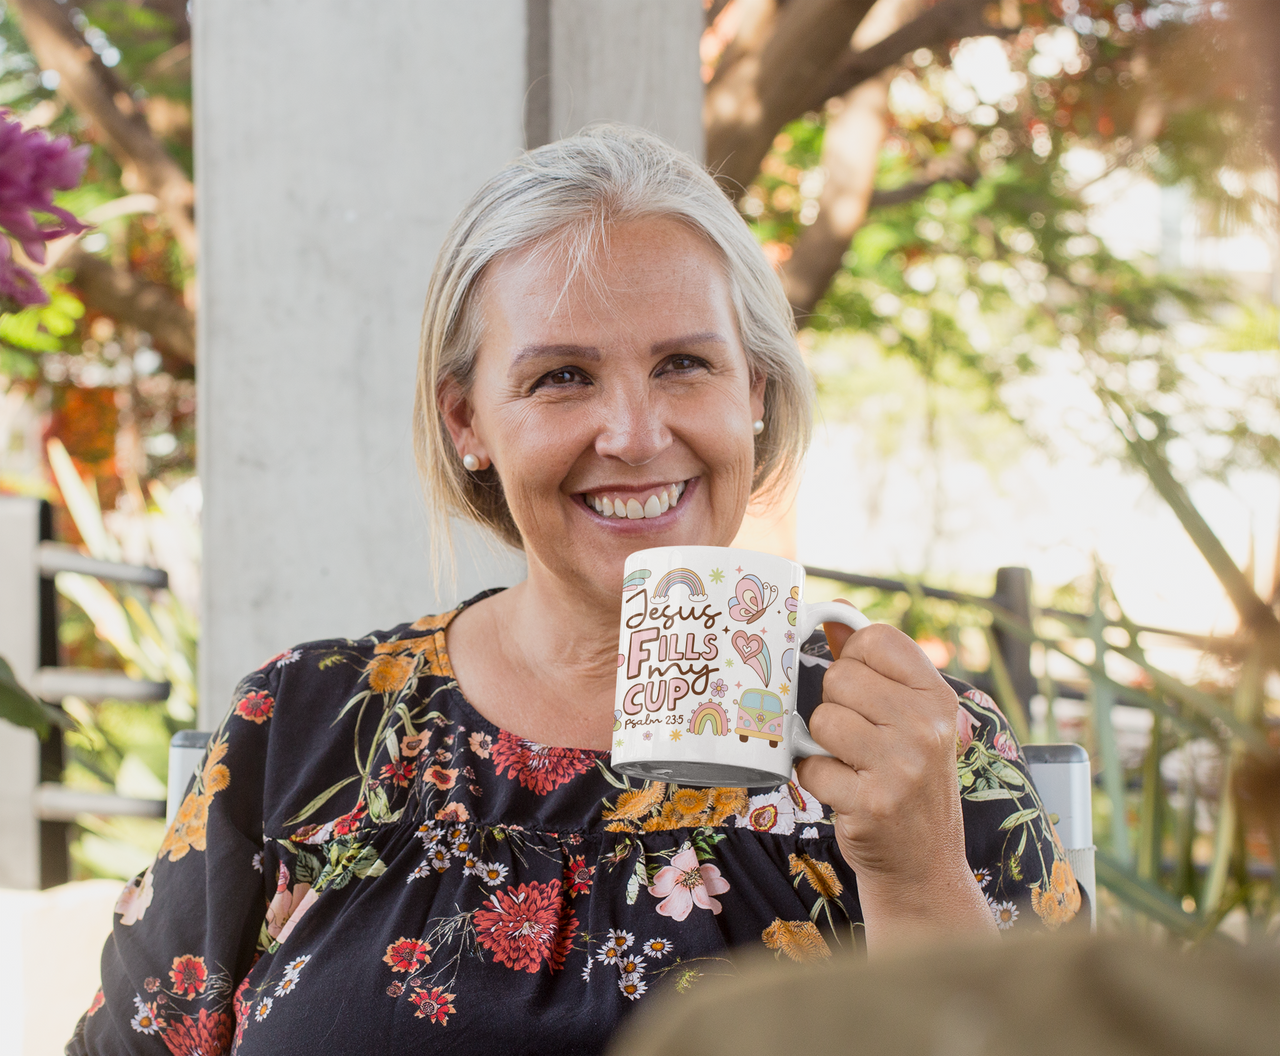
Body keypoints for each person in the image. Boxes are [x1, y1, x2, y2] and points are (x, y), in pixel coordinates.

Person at [68, 125, 1081, 1056]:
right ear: (467, 420)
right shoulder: (306, 727)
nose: (635, 435)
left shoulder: (916, 758)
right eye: (560, 377)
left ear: (753, 396)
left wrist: (916, 878)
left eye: (685, 363)